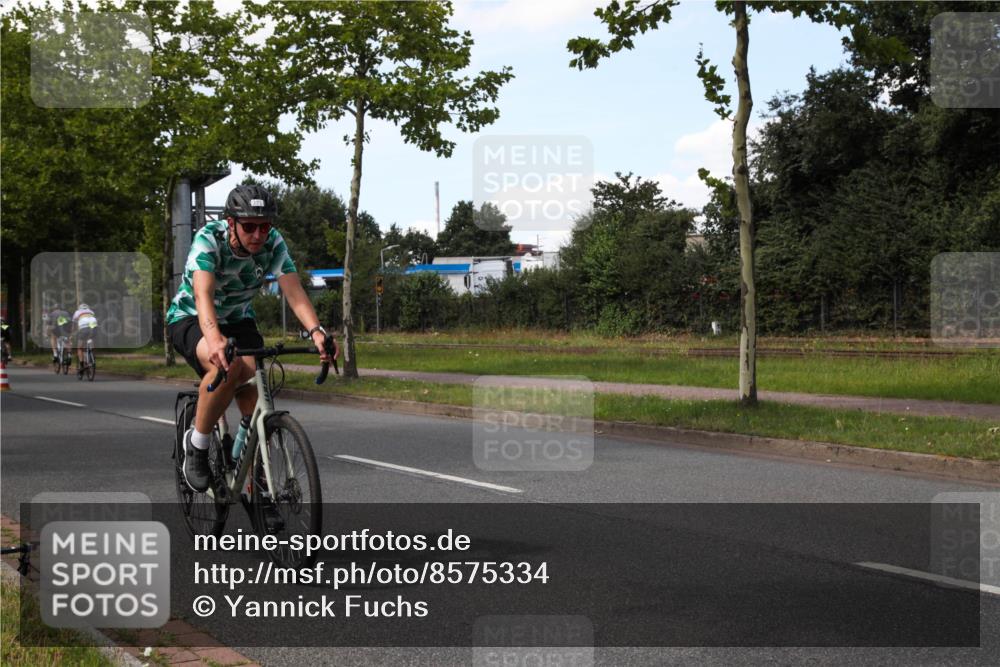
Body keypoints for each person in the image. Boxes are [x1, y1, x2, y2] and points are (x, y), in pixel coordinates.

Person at [166, 184, 336, 493]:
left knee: (256, 390)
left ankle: (259, 489)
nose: (258, 234)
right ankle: (198, 443)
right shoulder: (208, 241)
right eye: (249, 227)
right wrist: (215, 338)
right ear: (231, 223)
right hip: (192, 317)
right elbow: (202, 294)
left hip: (239, 319)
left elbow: (295, 293)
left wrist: (317, 331)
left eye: (264, 226)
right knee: (229, 369)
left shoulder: (273, 243)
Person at [72, 303, 99, 375]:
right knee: (91, 339)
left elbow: (74, 325)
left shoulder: (77, 312)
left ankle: (81, 365)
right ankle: (92, 358)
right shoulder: (91, 311)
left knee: (80, 348)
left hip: (84, 327)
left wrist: (73, 333)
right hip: (94, 326)